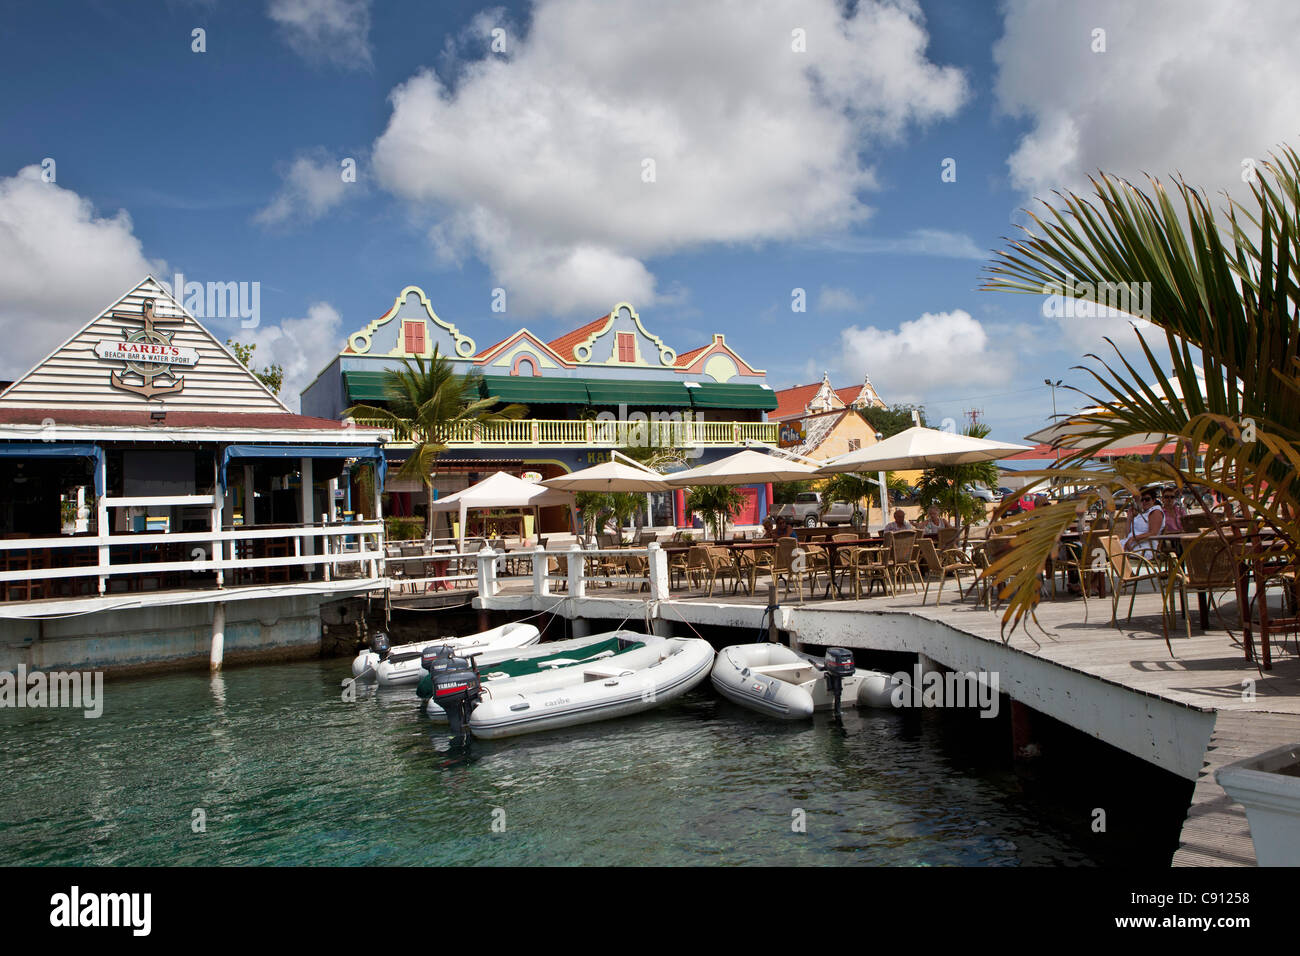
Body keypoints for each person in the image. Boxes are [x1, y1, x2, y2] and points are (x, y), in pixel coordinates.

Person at [1123, 487, 1165, 557]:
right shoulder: (1142, 513)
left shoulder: (1155, 511)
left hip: (1145, 546)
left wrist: (1133, 538)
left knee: (1112, 549)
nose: (1144, 502)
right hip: (1133, 544)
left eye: (1147, 499)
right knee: (1109, 545)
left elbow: (1153, 533)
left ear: (1153, 500)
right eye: (1142, 500)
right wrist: (1129, 517)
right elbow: (1128, 534)